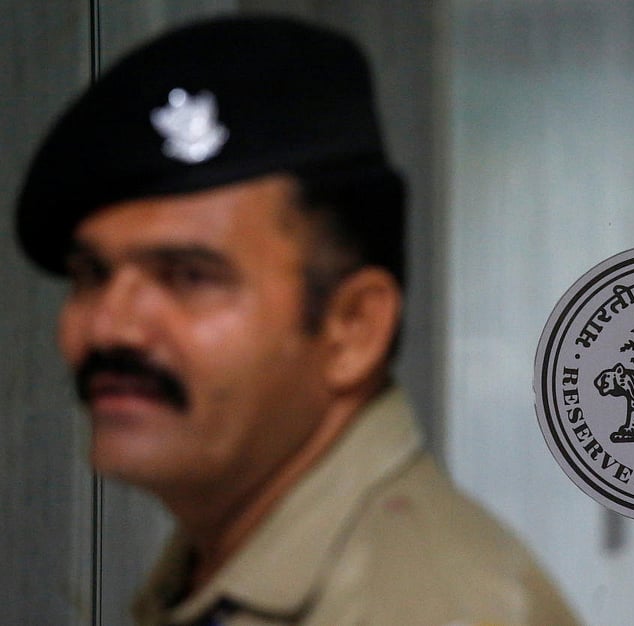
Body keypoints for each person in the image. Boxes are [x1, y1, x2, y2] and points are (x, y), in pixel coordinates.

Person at [15, 15, 581, 626]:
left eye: (188, 277)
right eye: (92, 275)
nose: (108, 328)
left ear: (353, 330)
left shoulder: (415, 608)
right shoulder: (226, 568)